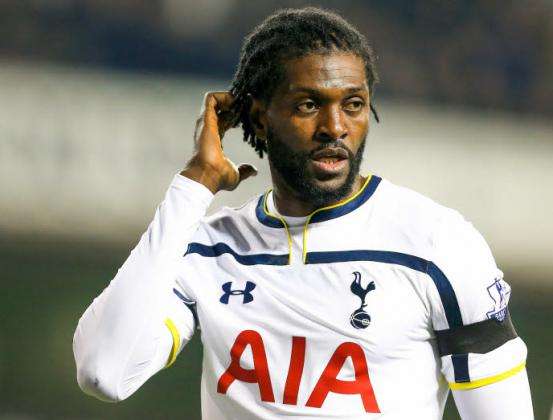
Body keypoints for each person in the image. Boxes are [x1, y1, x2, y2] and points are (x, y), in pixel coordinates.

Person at [73, 7, 533, 419]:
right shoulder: (211, 249)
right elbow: (103, 373)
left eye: (353, 105)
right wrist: (195, 184)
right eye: (309, 105)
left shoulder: (437, 246)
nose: (335, 128)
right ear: (259, 119)